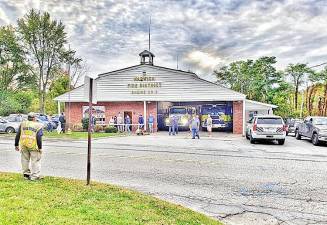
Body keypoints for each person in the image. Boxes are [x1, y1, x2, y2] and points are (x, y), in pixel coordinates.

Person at [15, 112, 43, 181]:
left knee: (24, 160)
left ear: (28, 118)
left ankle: (26, 175)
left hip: (24, 144)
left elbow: (18, 134)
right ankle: (35, 176)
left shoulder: (23, 124)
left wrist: (16, 144)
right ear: (34, 118)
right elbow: (39, 137)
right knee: (35, 161)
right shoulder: (38, 125)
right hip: (33, 146)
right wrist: (40, 148)